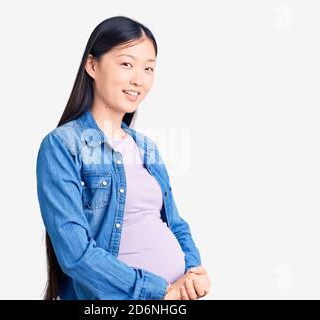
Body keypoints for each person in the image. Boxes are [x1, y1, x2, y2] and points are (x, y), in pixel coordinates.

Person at [36, 15, 210, 300]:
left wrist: (193, 273)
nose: (138, 80)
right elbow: (76, 253)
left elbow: (175, 223)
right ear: (92, 65)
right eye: (126, 64)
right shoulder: (61, 146)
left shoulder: (146, 147)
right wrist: (158, 291)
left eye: (148, 68)